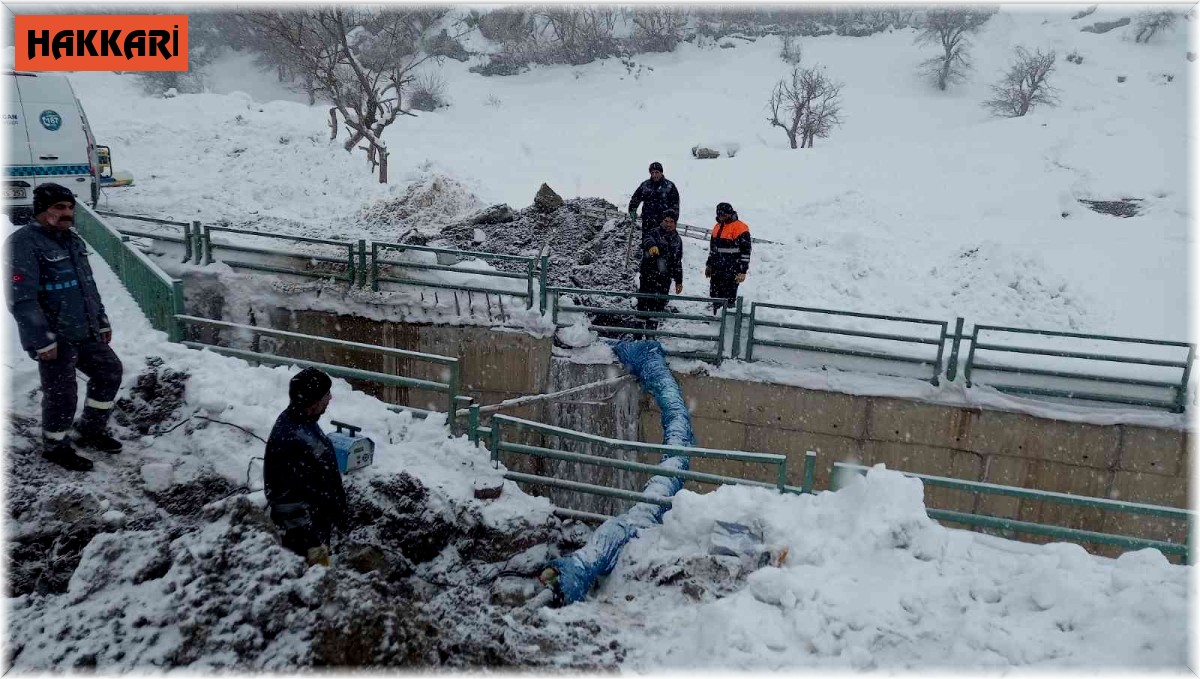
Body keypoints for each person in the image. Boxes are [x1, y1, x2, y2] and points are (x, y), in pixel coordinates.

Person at [4, 183, 124, 472]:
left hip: (85, 329)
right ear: (42, 211)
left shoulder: (72, 241)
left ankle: (90, 429)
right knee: (62, 393)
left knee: (109, 372)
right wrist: (41, 339)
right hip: (54, 336)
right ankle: (55, 445)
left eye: (69, 207)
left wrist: (102, 320)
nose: (66, 213)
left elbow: (88, 287)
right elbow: (21, 299)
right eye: (59, 207)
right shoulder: (22, 243)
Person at [263, 367, 348, 567]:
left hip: (316, 524)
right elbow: (284, 496)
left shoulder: (303, 420)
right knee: (314, 580)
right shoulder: (291, 437)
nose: (330, 398)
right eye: (327, 394)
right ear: (314, 401)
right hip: (304, 535)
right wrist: (311, 542)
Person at [637, 209, 684, 332]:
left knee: (657, 309)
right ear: (662, 221)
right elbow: (646, 239)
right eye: (666, 221)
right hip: (648, 276)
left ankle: (651, 337)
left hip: (664, 280)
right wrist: (651, 246)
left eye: (671, 221)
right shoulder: (654, 232)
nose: (668, 224)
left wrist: (678, 281)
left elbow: (677, 262)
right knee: (642, 306)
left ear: (675, 223)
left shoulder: (677, 240)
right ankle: (637, 336)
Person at [705, 202, 752, 312]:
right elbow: (713, 249)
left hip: (732, 270)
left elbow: (746, 252)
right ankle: (716, 316)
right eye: (720, 215)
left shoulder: (741, 228)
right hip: (717, 269)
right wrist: (709, 265)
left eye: (725, 214)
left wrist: (742, 271)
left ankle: (727, 319)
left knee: (729, 296)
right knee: (715, 294)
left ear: (730, 213)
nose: (723, 217)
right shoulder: (717, 226)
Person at [628, 161, 680, 237]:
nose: (654, 175)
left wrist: (673, 220)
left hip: (663, 223)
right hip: (647, 222)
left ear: (661, 172)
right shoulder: (646, 185)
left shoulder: (670, 186)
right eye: (652, 173)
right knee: (647, 243)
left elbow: (675, 205)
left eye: (657, 172)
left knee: (662, 245)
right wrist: (632, 209)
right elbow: (636, 197)